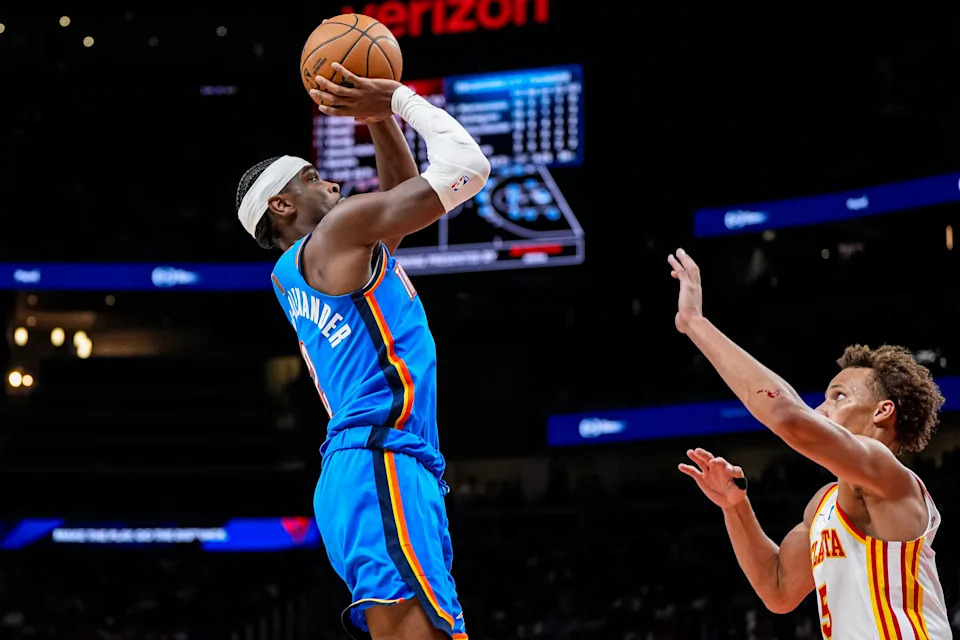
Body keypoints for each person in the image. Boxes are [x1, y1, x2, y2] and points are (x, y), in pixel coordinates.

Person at [235, 62, 489, 640]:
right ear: (282, 204)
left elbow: (401, 199)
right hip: (381, 458)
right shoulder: (335, 236)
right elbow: (469, 169)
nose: (333, 185)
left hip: (379, 463)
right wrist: (399, 98)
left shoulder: (314, 263)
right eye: (313, 178)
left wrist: (379, 122)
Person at [668, 247, 951, 639]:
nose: (820, 409)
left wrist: (695, 324)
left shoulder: (888, 476)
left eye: (838, 397)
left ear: (882, 412)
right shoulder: (822, 505)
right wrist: (736, 507)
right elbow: (778, 588)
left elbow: (787, 416)